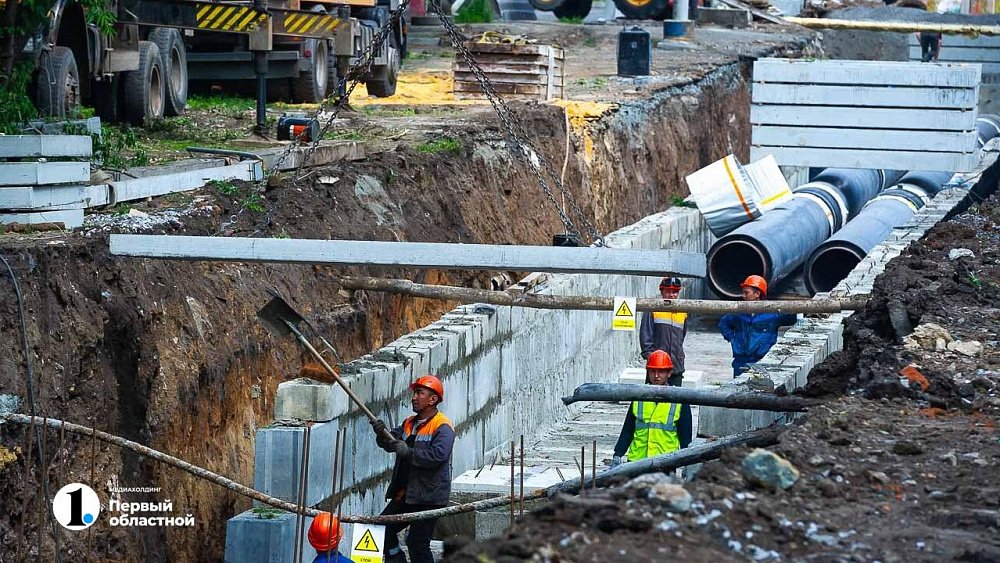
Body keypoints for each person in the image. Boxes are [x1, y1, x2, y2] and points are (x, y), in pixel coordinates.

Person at [370, 375, 454, 563]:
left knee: (417, 542)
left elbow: (438, 456)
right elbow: (391, 441)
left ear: (433, 399)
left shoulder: (442, 426)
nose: (414, 397)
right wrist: (382, 434)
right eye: (414, 393)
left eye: (419, 393)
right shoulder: (409, 422)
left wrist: (408, 452)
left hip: (429, 498)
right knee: (380, 528)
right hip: (408, 494)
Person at [611, 350, 691, 467]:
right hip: (636, 462)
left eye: (661, 372)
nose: (656, 376)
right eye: (652, 371)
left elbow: (685, 437)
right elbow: (628, 429)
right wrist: (618, 454)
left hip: (665, 463)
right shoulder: (639, 397)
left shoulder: (679, 400)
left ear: (669, 373)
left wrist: (687, 463)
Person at [718, 275, 797, 378]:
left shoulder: (772, 313)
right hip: (741, 360)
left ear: (757, 294)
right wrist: (731, 338)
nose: (743, 296)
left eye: (746, 292)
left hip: (762, 359)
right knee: (738, 390)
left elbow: (792, 319)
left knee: (761, 389)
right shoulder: (739, 312)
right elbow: (723, 323)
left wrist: (797, 308)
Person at [639, 276, 687, 382]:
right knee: (652, 397)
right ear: (661, 291)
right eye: (668, 291)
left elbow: (681, 338)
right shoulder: (653, 309)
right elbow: (645, 338)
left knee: (675, 398)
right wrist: (652, 359)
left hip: (676, 367)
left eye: (675, 292)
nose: (671, 295)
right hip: (657, 369)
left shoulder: (683, 312)